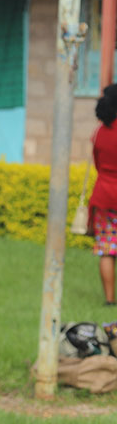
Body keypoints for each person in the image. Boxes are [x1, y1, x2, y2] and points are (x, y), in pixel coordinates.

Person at [90, 83, 117, 306]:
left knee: (107, 249)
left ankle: (110, 300)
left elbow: (98, 164)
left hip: (104, 196)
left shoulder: (99, 131)